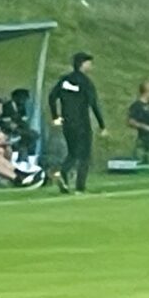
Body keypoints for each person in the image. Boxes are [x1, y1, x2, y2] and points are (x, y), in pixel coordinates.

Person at [49, 52, 103, 193]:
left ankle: (63, 174)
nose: (91, 66)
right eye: (89, 63)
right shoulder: (86, 82)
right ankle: (80, 187)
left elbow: (52, 97)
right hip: (82, 122)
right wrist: (102, 125)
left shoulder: (64, 80)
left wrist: (55, 116)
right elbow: (94, 104)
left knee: (73, 152)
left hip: (67, 122)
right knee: (85, 155)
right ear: (83, 64)